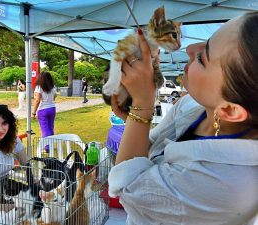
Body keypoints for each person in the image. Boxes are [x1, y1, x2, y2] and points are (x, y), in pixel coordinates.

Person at [108, 12, 258, 225]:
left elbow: (127, 188)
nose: (189, 48)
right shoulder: (194, 107)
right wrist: (135, 118)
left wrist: (142, 106)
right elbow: (149, 146)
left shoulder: (224, 186)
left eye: (203, 57)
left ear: (230, 111)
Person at [0, 104, 27, 208]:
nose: (1, 129)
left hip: (7, 187)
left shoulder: (13, 140)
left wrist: (35, 185)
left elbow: (27, 165)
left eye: (4, 123)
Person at [32, 71, 57, 147]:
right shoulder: (53, 86)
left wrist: (33, 113)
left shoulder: (39, 87)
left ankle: (47, 148)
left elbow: (37, 100)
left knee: (45, 129)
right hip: (52, 108)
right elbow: (55, 96)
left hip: (43, 110)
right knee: (50, 127)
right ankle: (51, 145)